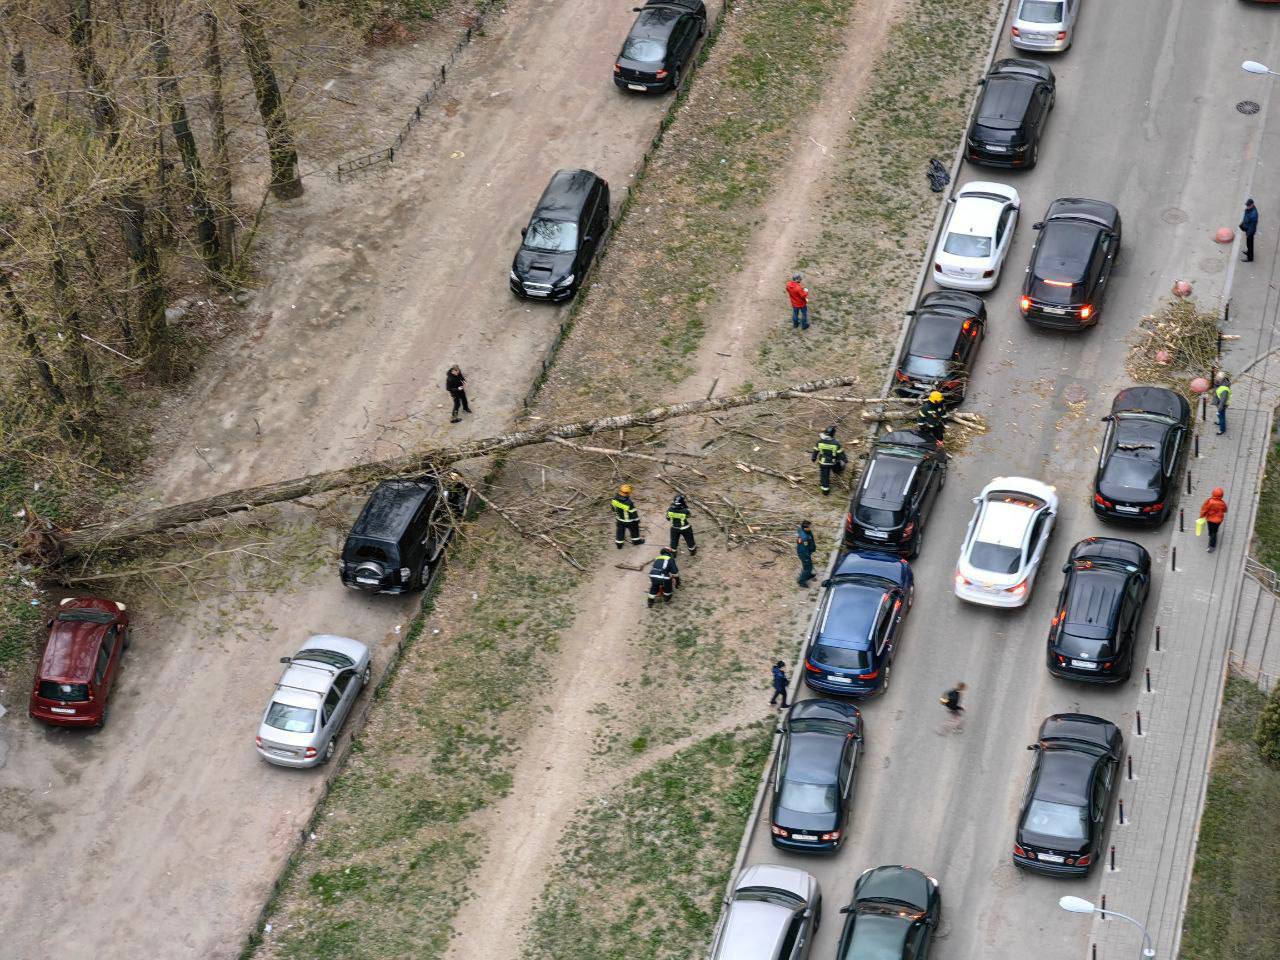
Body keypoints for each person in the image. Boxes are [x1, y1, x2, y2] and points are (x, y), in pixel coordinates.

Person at [810, 426, 847, 495]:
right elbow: (840, 453)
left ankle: (825, 491)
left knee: (824, 476)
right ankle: (837, 471)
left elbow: (815, 450)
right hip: (833, 462)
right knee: (838, 467)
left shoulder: (820, 441)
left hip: (823, 462)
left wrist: (813, 458)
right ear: (833, 434)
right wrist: (845, 460)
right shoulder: (836, 443)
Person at [611, 484, 645, 549]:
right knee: (634, 530)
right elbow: (633, 512)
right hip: (630, 521)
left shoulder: (614, 499)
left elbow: (613, 509)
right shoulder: (629, 502)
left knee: (620, 532)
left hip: (620, 520)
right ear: (627, 493)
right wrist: (637, 520)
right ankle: (636, 541)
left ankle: (619, 544)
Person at [1200, 487, 1228, 553]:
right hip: (1218, 521)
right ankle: (1212, 539)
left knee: (1211, 529)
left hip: (1210, 519)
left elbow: (1204, 509)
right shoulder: (1222, 503)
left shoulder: (1209, 501)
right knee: (1215, 531)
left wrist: (1202, 516)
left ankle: (1211, 545)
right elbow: (1225, 510)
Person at [795, 520, 817, 587]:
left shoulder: (804, 531)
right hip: (804, 554)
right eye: (809, 526)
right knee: (808, 568)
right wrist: (807, 555)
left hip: (806, 552)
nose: (811, 527)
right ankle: (801, 581)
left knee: (808, 565)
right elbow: (803, 548)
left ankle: (808, 575)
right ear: (805, 528)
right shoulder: (804, 537)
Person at [1241, 198, 1259, 263]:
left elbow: (1252, 227)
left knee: (1250, 244)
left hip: (1250, 231)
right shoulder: (1249, 210)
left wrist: (1248, 233)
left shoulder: (1254, 215)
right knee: (1248, 243)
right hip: (1248, 229)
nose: (1247, 206)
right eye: (1247, 205)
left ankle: (1250, 258)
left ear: (1252, 204)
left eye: (1248, 205)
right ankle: (1248, 252)